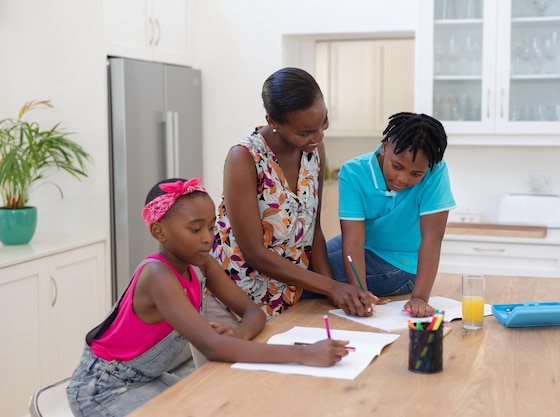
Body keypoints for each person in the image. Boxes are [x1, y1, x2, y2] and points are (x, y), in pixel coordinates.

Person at [66, 177, 350, 417]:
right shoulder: (157, 275)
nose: (207, 237)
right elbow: (214, 348)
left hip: (144, 379)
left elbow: (254, 313)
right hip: (104, 389)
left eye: (212, 227)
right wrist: (304, 353)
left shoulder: (202, 265)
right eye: (195, 229)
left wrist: (236, 337)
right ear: (159, 231)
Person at [211, 67, 378, 318]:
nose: (319, 136)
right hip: (233, 301)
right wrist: (332, 287)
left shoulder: (315, 151)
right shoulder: (244, 158)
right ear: (273, 122)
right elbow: (254, 252)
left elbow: (314, 230)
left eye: (323, 123)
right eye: (305, 132)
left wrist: (337, 297)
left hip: (286, 301)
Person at [326, 112, 456, 317]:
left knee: (310, 280)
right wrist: (360, 291)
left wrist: (419, 297)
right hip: (364, 243)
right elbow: (353, 240)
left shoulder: (436, 172)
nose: (402, 179)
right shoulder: (353, 172)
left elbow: (432, 239)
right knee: (304, 266)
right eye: (397, 166)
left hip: (401, 263)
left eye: (416, 174)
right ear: (385, 147)